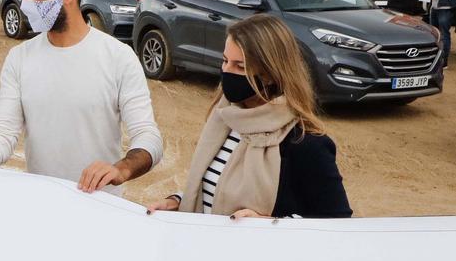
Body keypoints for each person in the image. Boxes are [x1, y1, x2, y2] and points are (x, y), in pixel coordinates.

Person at [0, 0, 164, 190]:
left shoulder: (119, 58)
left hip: (102, 206)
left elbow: (148, 136)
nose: (25, 4)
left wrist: (120, 169)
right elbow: (3, 132)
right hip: (45, 204)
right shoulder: (19, 58)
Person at [145, 16, 350, 220]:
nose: (226, 71)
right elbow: (215, 189)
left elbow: (337, 222)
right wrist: (178, 201)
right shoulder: (224, 118)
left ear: (271, 73)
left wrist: (269, 224)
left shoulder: (305, 143)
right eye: (225, 61)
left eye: (240, 67)